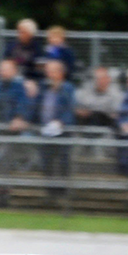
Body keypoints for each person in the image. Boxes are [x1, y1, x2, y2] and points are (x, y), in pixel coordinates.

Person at [34, 59, 76, 197]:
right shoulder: (43, 86)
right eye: (48, 71)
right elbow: (36, 105)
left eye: (52, 71)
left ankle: (63, 192)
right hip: (46, 130)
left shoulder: (67, 87)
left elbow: (69, 108)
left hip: (62, 131)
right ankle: (50, 191)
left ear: (60, 73)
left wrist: (61, 122)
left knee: (63, 161)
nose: (49, 74)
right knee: (46, 160)